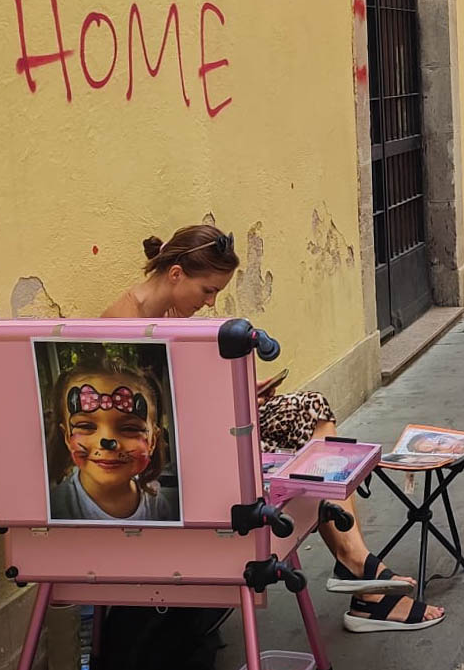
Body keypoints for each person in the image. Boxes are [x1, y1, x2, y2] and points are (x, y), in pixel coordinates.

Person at [100, 226, 442, 651]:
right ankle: (360, 576)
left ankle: (354, 561)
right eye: (207, 291)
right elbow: (136, 416)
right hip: (174, 447)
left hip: (205, 424)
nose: (210, 302)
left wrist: (241, 392)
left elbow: (185, 387)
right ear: (174, 274)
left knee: (312, 410)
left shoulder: (173, 311)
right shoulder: (123, 321)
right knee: (292, 459)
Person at [47, 355, 178, 521]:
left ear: (152, 441)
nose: (107, 441)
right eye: (86, 426)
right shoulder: (55, 510)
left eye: (130, 428)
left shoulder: (156, 502)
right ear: (67, 437)